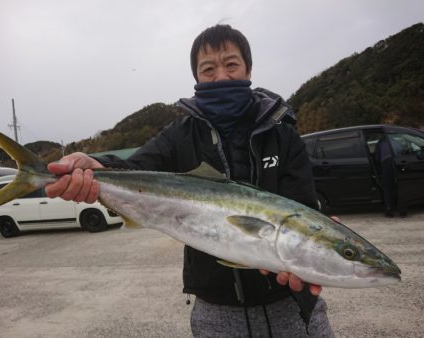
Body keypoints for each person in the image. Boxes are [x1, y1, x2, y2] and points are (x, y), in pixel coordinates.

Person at [46, 25, 334, 337]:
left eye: (231, 64)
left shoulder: (283, 134)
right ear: (196, 77)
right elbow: (135, 169)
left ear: (248, 69)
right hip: (216, 310)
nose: (221, 77)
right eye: (208, 69)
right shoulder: (180, 135)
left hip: (291, 304)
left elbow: (303, 202)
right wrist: (97, 167)